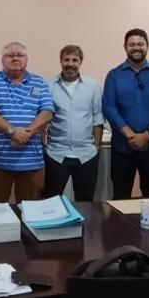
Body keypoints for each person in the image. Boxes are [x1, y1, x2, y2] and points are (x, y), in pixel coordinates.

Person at [0, 42, 54, 202]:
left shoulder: (39, 83)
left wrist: (26, 133)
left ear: (26, 59)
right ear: (2, 60)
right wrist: (12, 132)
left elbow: (47, 113)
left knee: (30, 211)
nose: (15, 58)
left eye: (19, 55)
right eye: (10, 55)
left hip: (32, 163)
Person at [102, 28, 149, 199]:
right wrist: (132, 136)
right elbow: (109, 108)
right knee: (120, 196)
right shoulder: (114, 75)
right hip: (122, 147)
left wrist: (146, 135)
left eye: (140, 44)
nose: (136, 48)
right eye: (132, 44)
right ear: (125, 47)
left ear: (147, 46)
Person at [43, 45, 104, 201]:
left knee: (85, 201)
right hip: (56, 153)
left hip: (86, 154)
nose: (70, 64)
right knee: (51, 201)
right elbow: (42, 116)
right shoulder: (48, 86)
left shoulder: (92, 86)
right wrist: (43, 144)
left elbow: (97, 117)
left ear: (80, 62)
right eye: (67, 60)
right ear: (61, 61)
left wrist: (96, 147)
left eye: (75, 60)